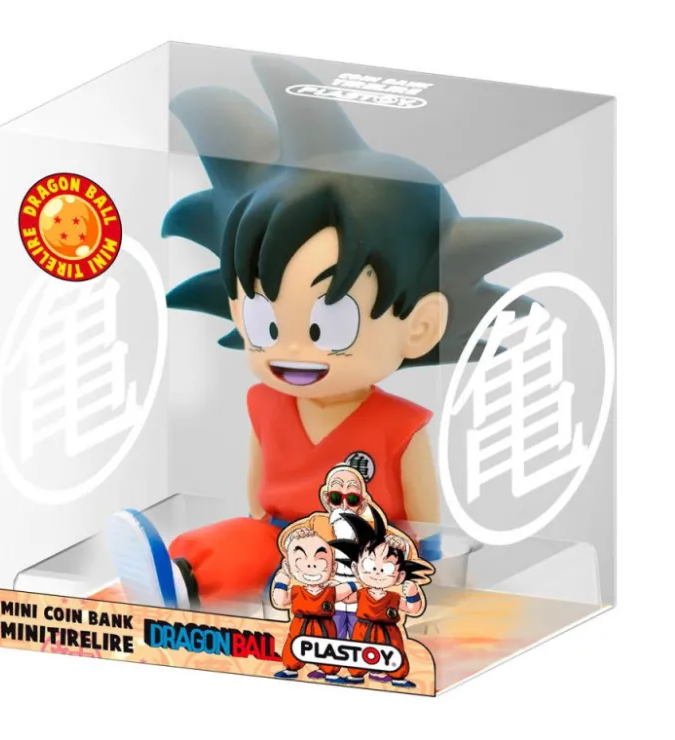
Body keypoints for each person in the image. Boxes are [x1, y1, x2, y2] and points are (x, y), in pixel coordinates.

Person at [108, 56, 561, 611]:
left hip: (367, 554)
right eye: (265, 322)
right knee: (229, 546)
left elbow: (423, 517)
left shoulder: (400, 426)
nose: (291, 349)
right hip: (284, 539)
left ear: (421, 326)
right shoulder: (265, 403)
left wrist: (431, 567)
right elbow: (257, 493)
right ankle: (178, 580)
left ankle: (211, 586)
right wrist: (258, 529)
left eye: (330, 323)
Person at [333, 506, 433, 689]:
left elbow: (413, 609)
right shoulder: (361, 593)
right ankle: (356, 673)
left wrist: (412, 594)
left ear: (400, 576)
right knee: (358, 650)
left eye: (387, 568)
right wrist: (345, 587)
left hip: (388, 631)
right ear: (356, 569)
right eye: (369, 565)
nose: (377, 572)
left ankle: (396, 675)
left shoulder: (393, 597)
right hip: (362, 629)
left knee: (394, 651)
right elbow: (343, 599)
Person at [270, 519, 357, 682]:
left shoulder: (330, 590)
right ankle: (291, 668)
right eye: (300, 560)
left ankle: (330, 671)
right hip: (300, 625)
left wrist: (360, 580)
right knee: (293, 646)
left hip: (325, 627)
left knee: (328, 648)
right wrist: (282, 580)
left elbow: (350, 590)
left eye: (320, 559)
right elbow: (280, 600)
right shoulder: (297, 591)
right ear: (289, 566)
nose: (311, 565)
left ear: (333, 567)